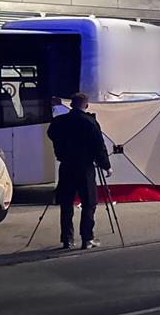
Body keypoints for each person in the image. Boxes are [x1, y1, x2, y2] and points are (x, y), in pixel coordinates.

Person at [47, 92, 111, 250]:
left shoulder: (59, 121)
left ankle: (67, 239)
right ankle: (87, 238)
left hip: (66, 166)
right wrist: (106, 166)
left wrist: (60, 149)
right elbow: (99, 146)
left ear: (71, 105)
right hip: (85, 168)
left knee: (66, 203)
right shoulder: (90, 122)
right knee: (89, 203)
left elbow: (51, 134)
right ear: (86, 105)